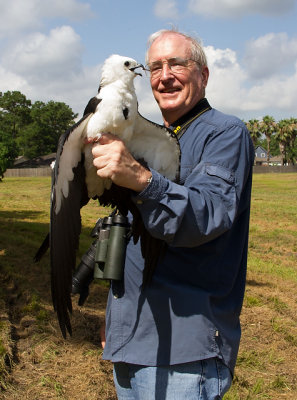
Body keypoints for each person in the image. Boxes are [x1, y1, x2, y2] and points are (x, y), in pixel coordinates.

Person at [91, 29, 254, 400]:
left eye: (177, 63)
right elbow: (135, 237)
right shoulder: (151, 137)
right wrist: (116, 319)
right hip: (131, 343)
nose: (164, 76)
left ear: (204, 75)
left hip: (184, 353)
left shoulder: (224, 134)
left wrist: (141, 178)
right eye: (155, 67)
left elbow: (205, 216)